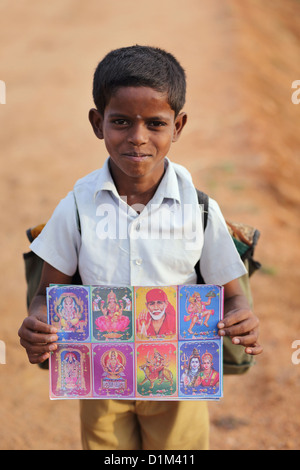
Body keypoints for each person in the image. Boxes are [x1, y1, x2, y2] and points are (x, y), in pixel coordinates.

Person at [18, 45, 262, 450]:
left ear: (178, 126)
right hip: (101, 381)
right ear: (98, 123)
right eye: (120, 121)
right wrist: (39, 322)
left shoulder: (199, 209)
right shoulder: (78, 205)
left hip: (181, 383)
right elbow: (48, 292)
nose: (137, 137)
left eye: (155, 123)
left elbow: (233, 295)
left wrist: (241, 318)